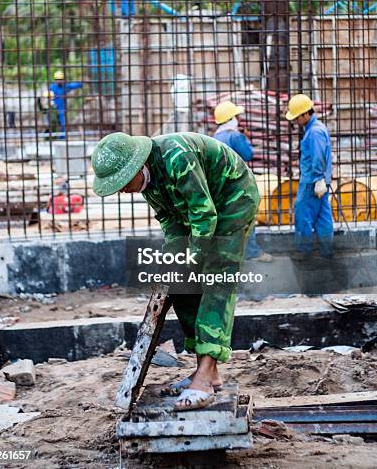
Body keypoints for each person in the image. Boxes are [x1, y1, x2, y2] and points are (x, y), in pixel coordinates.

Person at [91, 131, 260, 411]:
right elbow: (170, 221)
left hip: (232, 201)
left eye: (122, 182)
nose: (121, 190)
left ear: (136, 166)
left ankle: (204, 380)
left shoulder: (177, 156)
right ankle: (208, 373)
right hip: (203, 213)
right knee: (180, 283)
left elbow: (204, 214)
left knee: (216, 281)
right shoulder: (149, 182)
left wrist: (192, 257)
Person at [213, 100, 273, 263]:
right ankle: (252, 252)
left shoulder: (215, 136)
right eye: (237, 116)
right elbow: (247, 154)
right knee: (247, 216)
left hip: (220, 186)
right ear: (232, 118)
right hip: (237, 185)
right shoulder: (235, 135)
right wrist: (244, 138)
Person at [286, 93, 333, 259]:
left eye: (297, 117)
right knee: (322, 217)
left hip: (312, 182)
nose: (296, 121)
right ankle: (326, 252)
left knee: (302, 213)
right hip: (319, 181)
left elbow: (318, 156)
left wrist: (318, 178)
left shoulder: (314, 132)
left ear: (306, 113)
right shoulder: (316, 129)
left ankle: (304, 251)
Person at [49, 70, 83, 138]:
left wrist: (81, 83)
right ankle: (52, 137)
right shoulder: (51, 87)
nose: (59, 81)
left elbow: (73, 85)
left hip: (62, 109)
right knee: (52, 124)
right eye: (57, 79)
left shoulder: (65, 86)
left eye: (60, 79)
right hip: (53, 109)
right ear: (55, 80)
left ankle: (63, 138)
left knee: (63, 123)